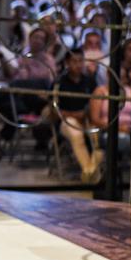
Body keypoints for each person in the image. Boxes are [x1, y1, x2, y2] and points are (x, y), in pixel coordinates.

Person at [54, 49, 100, 183]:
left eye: (81, 61)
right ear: (67, 63)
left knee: (99, 137)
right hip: (67, 120)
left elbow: (97, 102)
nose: (78, 65)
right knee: (76, 134)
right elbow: (54, 109)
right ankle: (88, 171)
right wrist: (74, 115)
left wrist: (87, 114)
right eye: (74, 61)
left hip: (88, 118)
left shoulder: (90, 81)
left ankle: (91, 171)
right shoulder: (59, 83)